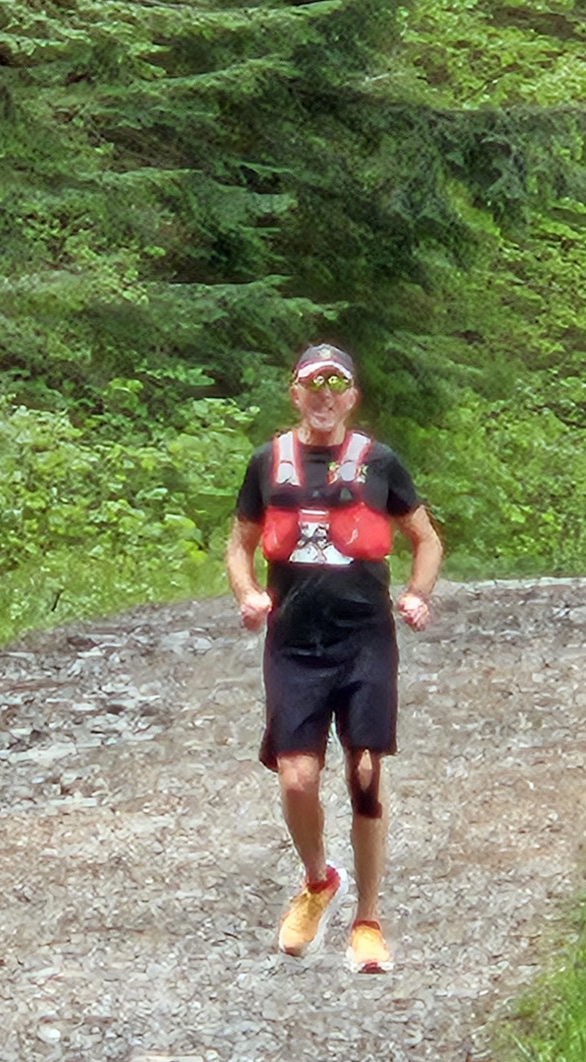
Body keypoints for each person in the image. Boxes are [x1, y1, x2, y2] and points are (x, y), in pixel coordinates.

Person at [225, 343, 442, 974]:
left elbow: (425, 539)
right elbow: (239, 544)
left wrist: (418, 594)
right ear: (295, 394)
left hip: (364, 639)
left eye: (335, 385)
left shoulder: (380, 463)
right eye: (312, 385)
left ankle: (367, 922)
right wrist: (247, 593)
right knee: (296, 778)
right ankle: (319, 880)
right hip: (294, 642)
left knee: (365, 772)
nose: (323, 396)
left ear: (351, 397)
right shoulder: (268, 463)